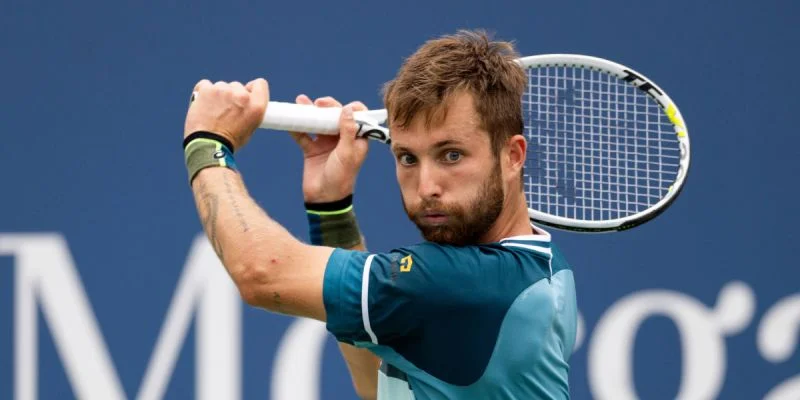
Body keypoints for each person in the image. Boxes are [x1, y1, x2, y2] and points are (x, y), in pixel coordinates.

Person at [182, 30, 577, 400]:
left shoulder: (459, 284)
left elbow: (260, 273)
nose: (426, 187)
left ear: (513, 156)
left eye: (451, 155)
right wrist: (330, 208)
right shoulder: (547, 270)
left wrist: (207, 140)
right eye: (408, 158)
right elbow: (376, 385)